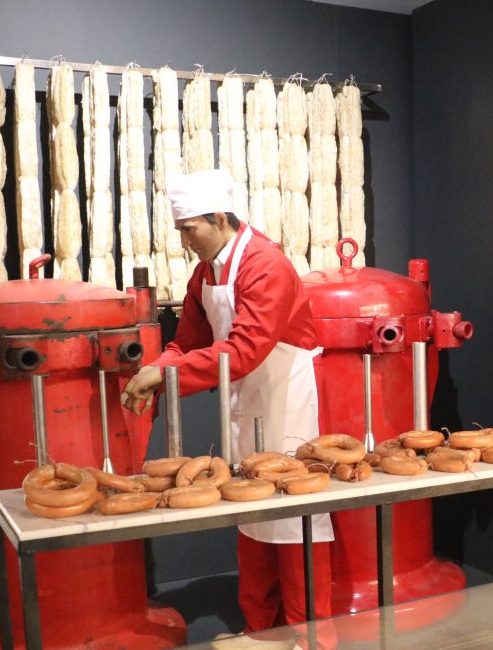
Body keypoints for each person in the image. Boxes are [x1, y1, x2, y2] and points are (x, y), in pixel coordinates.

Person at [121, 169, 335, 645]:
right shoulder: (206, 272)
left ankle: (312, 637)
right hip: (245, 396)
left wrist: (168, 376)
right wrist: (156, 372)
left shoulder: (266, 264)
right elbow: (187, 343)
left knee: (296, 520)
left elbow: (245, 349)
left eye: (188, 229)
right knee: (251, 511)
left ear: (219, 217)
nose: (184, 242)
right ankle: (261, 630)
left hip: (287, 396)